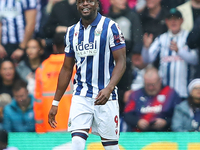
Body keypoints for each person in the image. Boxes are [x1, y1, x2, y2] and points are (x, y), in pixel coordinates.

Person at [48, 0, 126, 149]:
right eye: (81, 1)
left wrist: (109, 88)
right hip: (81, 95)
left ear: (97, 4)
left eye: (89, 1)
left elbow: (121, 62)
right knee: (77, 142)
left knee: (111, 146)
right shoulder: (71, 31)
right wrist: (55, 102)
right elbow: (66, 68)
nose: (85, 4)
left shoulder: (111, 27)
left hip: (106, 96)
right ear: (77, 5)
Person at [142, 8, 198, 100]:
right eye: (170, 19)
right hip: (165, 93)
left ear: (182, 20)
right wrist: (146, 48)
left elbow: (195, 60)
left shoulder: (189, 37)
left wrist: (179, 51)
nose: (173, 22)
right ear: (166, 21)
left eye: (176, 19)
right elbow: (147, 60)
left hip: (185, 92)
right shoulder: (161, 39)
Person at [107, 0, 143, 115]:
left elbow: (137, 40)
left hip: (127, 65)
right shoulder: (105, 18)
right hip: (109, 65)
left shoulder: (132, 16)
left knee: (126, 99)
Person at [34, 32, 75, 133]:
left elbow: (38, 103)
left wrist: (40, 130)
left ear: (54, 47)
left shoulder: (42, 69)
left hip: (50, 131)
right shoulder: (75, 67)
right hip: (75, 129)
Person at [123, 66, 181, 132]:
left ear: (160, 80)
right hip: (139, 135)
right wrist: (137, 122)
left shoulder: (171, 93)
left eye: (153, 85)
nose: (151, 88)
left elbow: (180, 116)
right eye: (148, 85)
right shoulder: (135, 94)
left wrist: (166, 122)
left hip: (165, 135)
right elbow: (127, 114)